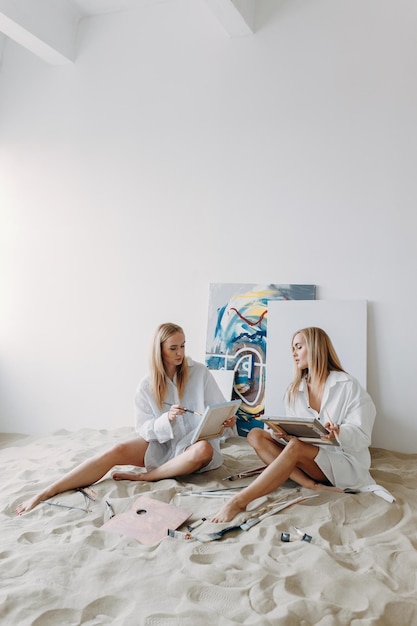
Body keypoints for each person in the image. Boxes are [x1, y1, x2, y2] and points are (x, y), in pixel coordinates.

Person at [16, 322, 236, 515]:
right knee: (117, 449)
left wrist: (226, 421)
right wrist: (166, 419)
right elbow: (144, 429)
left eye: (183, 345)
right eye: (173, 348)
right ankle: (46, 492)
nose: (180, 353)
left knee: (204, 450)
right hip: (163, 444)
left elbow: (220, 408)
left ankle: (147, 477)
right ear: (159, 350)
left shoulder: (199, 372)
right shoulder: (146, 385)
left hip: (193, 448)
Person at [211, 326, 378, 523]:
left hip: (343, 462)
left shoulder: (348, 385)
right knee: (255, 435)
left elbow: (363, 436)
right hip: (311, 460)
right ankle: (310, 484)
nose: (293, 353)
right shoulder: (295, 390)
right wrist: (283, 434)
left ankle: (239, 501)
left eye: (298, 347)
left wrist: (339, 432)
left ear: (315, 348)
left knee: (296, 447)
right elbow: (299, 435)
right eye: (293, 348)